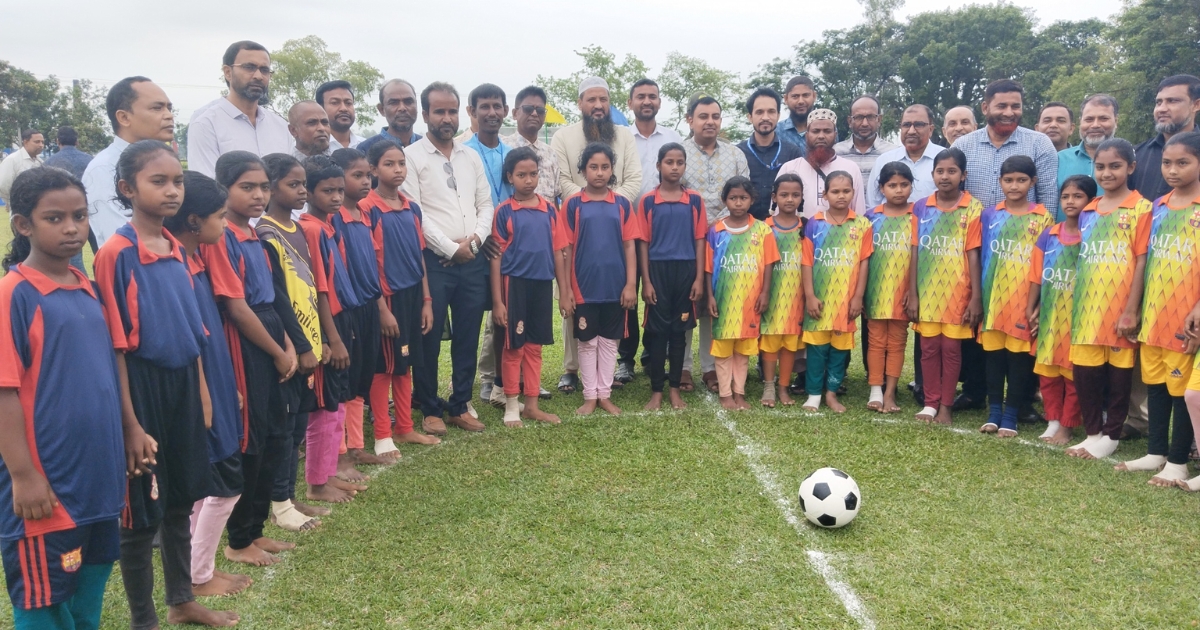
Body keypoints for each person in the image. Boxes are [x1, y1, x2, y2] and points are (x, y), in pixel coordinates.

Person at [94, 141, 238, 628]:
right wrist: (130, 424)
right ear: (126, 188)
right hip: (141, 389)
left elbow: (192, 333)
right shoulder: (116, 253)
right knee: (141, 512)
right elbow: (116, 346)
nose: (172, 190)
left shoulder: (177, 249)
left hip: (183, 388)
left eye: (177, 181)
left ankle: (182, 600)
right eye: (158, 182)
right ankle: (144, 618)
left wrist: (202, 393)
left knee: (181, 499)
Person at [0, 168, 125, 630]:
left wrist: (130, 432)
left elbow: (105, 376)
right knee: (43, 602)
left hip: (98, 479)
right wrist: (23, 475)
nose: (72, 228)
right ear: (24, 225)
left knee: (90, 588)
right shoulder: (14, 294)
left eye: (80, 216)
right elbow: (4, 390)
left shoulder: (86, 287)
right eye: (54, 218)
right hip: (48, 486)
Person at [199, 151, 299, 569]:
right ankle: (238, 539)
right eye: (247, 187)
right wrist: (276, 352)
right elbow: (237, 307)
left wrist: (288, 344)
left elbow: (272, 298)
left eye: (263, 187)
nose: (259, 195)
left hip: (270, 328)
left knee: (276, 434)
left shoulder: (254, 235)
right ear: (224, 190)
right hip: (245, 341)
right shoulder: (222, 238)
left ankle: (256, 529)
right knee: (251, 440)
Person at [163, 171, 251, 598]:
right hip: (200, 389)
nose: (225, 224)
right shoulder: (176, 266)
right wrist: (206, 392)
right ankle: (199, 574)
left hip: (215, 381)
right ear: (195, 221)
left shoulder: (195, 260)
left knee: (212, 483)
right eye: (219, 216)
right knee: (225, 484)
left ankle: (199, 568)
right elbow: (187, 339)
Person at [401, 82, 492, 435]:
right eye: (439, 111)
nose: (447, 118)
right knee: (428, 337)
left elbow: (485, 204)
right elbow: (416, 213)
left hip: (472, 260)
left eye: (452, 111)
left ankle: (459, 405)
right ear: (425, 115)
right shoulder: (411, 157)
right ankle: (429, 408)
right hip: (435, 264)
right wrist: (451, 249)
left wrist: (475, 241)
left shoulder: (471, 155)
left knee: (468, 335)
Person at [550, 77, 642, 395]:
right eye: (591, 100)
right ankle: (571, 369)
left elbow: (634, 179)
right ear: (580, 104)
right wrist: (587, 202)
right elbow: (562, 179)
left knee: (612, 306)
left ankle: (608, 372)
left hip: (615, 228)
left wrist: (608, 204)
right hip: (579, 225)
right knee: (576, 303)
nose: (598, 105)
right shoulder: (563, 136)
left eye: (603, 99)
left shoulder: (624, 135)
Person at [1067, 139, 1151, 461]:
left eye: (1115, 166)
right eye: (1100, 167)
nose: (1106, 173)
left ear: (1131, 167)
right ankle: (1092, 433)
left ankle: (1112, 434)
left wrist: (1131, 310)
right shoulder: (1088, 209)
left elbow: (1142, 260)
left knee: (1119, 376)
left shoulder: (1142, 209)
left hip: (1120, 308)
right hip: (1088, 307)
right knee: (1086, 373)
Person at [256, 154, 326, 531]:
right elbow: (279, 297)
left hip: (310, 336)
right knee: (284, 430)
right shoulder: (266, 235)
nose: (302, 191)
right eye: (293, 184)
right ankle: (279, 502)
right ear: (271, 187)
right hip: (291, 343)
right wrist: (300, 346)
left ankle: (290, 496)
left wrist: (320, 338)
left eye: (303, 184)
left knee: (298, 426)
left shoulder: (298, 227)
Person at [1126, 133, 1200, 485]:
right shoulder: (1156, 207)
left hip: (1185, 318)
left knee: (1181, 390)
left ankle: (1178, 461)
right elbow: (1143, 261)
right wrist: (1137, 308)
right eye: (1167, 163)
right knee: (1155, 385)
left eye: (1182, 162)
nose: (1172, 170)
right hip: (1154, 315)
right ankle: (1155, 451)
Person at [298, 154, 371, 505]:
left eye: (340, 190)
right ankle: (318, 481)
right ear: (309, 192)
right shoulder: (311, 228)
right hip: (328, 325)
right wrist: (333, 338)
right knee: (324, 406)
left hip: (342, 317)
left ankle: (327, 474)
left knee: (337, 401)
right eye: (328, 191)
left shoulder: (328, 225)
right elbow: (319, 288)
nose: (337, 197)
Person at [361, 140, 441, 450]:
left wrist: (427, 301)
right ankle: (383, 434)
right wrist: (381, 309)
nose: (397, 170)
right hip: (387, 298)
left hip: (412, 296)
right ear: (373, 169)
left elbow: (419, 256)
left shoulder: (411, 207)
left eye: (401, 163)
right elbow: (368, 263)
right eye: (389, 164)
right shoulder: (368, 208)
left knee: (405, 362)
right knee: (384, 366)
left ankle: (405, 427)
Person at [489, 147, 569, 427]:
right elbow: (496, 258)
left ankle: (532, 405)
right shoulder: (504, 211)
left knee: (534, 347)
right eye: (521, 175)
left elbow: (558, 251)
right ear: (510, 177)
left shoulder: (549, 210)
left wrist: (565, 292)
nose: (528, 180)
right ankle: (512, 404)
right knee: (514, 347)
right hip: (514, 286)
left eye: (533, 174)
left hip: (541, 286)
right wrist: (498, 302)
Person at [976, 156, 1055, 437]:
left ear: (1033, 182)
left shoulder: (1043, 218)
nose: (1014, 185)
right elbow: (978, 256)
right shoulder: (989, 215)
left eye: (1021, 180)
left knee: (1019, 361)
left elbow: (1045, 263)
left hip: (1024, 302)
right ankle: (994, 412)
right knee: (994, 359)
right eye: (1008, 180)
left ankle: (1011, 415)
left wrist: (1038, 303)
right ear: (1000, 181)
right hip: (993, 301)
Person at [561, 143, 639, 416]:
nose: (599, 172)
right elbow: (566, 249)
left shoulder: (622, 204)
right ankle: (589, 396)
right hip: (583, 288)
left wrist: (631, 284)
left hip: (615, 288)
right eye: (593, 167)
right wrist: (567, 290)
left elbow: (630, 246)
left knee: (608, 342)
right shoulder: (573, 204)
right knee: (587, 342)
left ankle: (604, 395)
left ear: (612, 170)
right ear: (583, 170)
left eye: (605, 167)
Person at [909, 148, 983, 426]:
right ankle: (930, 403)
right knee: (928, 349)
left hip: (958, 293)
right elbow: (914, 251)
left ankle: (946, 406)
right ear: (932, 174)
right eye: (940, 171)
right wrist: (913, 292)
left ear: (963, 175)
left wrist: (975, 297)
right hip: (927, 292)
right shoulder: (921, 207)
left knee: (951, 351)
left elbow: (973, 253)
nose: (945, 176)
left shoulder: (973, 208)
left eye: (952, 171)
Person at [328, 148, 390, 477]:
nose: (366, 181)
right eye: (357, 175)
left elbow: (374, 266)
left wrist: (380, 307)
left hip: (368, 307)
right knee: (345, 381)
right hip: (347, 309)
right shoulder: (333, 219)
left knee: (362, 377)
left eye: (368, 175)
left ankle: (356, 445)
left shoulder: (366, 215)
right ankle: (338, 454)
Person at [683, 95, 750, 394]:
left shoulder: (735, 154)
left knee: (715, 304)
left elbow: (742, 193)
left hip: (727, 242)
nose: (710, 122)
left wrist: (718, 226)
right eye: (703, 116)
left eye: (715, 116)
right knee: (687, 302)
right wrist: (701, 228)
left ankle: (711, 367)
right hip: (687, 240)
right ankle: (683, 366)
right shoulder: (680, 152)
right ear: (690, 120)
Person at [1026, 175, 1094, 446]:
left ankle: (1067, 425)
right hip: (1050, 312)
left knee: (1072, 373)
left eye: (1078, 196)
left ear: (1091, 200)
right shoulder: (1049, 234)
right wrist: (1032, 307)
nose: (1070, 202)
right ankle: (1052, 420)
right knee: (1047, 370)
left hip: (1079, 316)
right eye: (1065, 197)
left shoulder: (1092, 236)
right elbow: (1036, 274)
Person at [637, 143, 705, 411]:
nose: (674, 167)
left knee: (679, 333)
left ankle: (675, 390)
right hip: (657, 271)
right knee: (657, 333)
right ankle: (656, 391)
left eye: (679, 162)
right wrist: (646, 281)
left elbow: (699, 240)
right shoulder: (648, 201)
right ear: (658, 166)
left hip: (686, 271)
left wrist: (698, 278)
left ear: (685, 166)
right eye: (669, 162)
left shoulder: (695, 200)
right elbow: (643, 243)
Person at [707, 176, 778, 411]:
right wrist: (709, 296)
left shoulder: (762, 230)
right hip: (723, 301)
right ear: (724, 200)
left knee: (744, 350)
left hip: (750, 302)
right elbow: (708, 267)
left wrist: (765, 293)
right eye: (733, 198)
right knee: (723, 348)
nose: (738, 203)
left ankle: (739, 392)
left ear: (752, 200)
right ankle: (725, 394)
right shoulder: (716, 230)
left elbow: (769, 264)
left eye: (743, 198)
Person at [463, 84, 513, 407]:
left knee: (502, 317)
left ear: (505, 111)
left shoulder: (512, 154)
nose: (492, 112)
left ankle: (500, 382)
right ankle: (465, 388)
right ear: (472, 112)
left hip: (508, 250)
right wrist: (480, 237)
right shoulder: (462, 153)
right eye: (484, 106)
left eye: (497, 106)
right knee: (470, 321)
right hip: (476, 247)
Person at [83, 77, 176, 247]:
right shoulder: (104, 169)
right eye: (157, 108)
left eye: (169, 108)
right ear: (124, 117)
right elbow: (122, 243)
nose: (169, 115)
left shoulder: (167, 164)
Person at [952, 80, 1059, 219]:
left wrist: (1044, 230)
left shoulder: (1039, 143)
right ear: (985, 108)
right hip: (972, 230)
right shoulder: (962, 146)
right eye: (1002, 106)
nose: (1009, 113)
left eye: (1015, 106)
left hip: (1024, 230)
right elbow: (952, 193)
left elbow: (1047, 197)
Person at [187, 41, 293, 178]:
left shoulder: (280, 126)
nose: (258, 76)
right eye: (249, 67)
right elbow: (207, 184)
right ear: (228, 72)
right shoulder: (206, 125)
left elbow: (290, 180)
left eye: (264, 70)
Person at [864, 162, 916, 414]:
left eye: (904, 185)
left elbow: (919, 256)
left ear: (911, 186)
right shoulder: (870, 217)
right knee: (875, 341)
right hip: (876, 290)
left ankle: (890, 392)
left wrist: (913, 291)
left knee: (897, 342)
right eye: (892, 185)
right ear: (881, 188)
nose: (898, 190)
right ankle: (875, 389)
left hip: (904, 292)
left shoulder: (917, 216)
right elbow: (863, 258)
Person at [758, 174, 805, 408]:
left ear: (802, 197)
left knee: (789, 342)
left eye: (795, 195)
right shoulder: (764, 227)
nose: (790, 199)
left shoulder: (806, 226)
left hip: (796, 295)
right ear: (774, 197)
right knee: (770, 341)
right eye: (784, 195)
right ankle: (769, 386)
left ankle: (784, 388)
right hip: (772, 294)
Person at [777, 109, 866, 219]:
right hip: (799, 230)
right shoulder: (789, 168)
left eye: (827, 131)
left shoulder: (851, 168)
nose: (821, 136)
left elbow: (859, 214)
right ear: (807, 135)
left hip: (841, 230)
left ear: (835, 135)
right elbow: (778, 215)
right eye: (816, 131)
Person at [1131, 74, 1200, 202]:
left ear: (1196, 105)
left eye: (1172, 101)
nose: (1161, 109)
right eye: (1159, 102)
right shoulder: (1137, 153)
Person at [739, 87, 804, 220]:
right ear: (750, 117)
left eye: (771, 111)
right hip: (746, 227)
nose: (765, 117)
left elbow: (800, 191)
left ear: (778, 116)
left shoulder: (792, 152)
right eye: (759, 112)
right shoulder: (738, 152)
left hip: (782, 227)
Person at [866, 105, 945, 208]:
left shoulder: (945, 159)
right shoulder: (884, 160)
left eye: (918, 125)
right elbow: (872, 205)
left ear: (930, 129)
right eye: (906, 125)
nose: (911, 131)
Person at [503, 86, 561, 201]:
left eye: (540, 110)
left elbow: (555, 199)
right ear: (515, 113)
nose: (534, 113)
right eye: (528, 109)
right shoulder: (503, 149)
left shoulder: (550, 154)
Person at [629, 79, 684, 199]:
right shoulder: (623, 139)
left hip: (668, 208)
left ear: (659, 103)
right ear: (630, 103)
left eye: (652, 97)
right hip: (629, 209)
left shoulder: (673, 138)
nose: (647, 102)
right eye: (641, 97)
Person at [1057, 94, 1119, 192]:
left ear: (1116, 121)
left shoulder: (1129, 159)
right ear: (1080, 122)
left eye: (1103, 118)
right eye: (1089, 119)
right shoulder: (1058, 160)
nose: (1095, 125)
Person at [834, 95, 897, 181]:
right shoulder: (835, 153)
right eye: (859, 117)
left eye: (870, 117)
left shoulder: (893, 154)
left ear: (879, 120)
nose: (865, 123)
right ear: (850, 121)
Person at [357, 79, 423, 155]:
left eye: (408, 102)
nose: (402, 108)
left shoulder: (429, 146)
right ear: (382, 109)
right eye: (394, 103)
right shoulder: (366, 150)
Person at [316, 80, 365, 150]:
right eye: (335, 103)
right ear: (320, 108)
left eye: (348, 103)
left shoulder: (366, 146)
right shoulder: (312, 148)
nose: (344, 108)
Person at [0, 130, 43, 202]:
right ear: (26, 142)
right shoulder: (12, 160)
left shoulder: (40, 162)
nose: (41, 145)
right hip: (18, 205)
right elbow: (3, 186)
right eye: (37, 142)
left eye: (42, 142)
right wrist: (13, 202)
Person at [777, 76, 817, 152]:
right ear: (786, 99)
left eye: (805, 95)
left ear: (814, 96)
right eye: (795, 96)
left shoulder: (826, 130)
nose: (801, 101)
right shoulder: (777, 131)